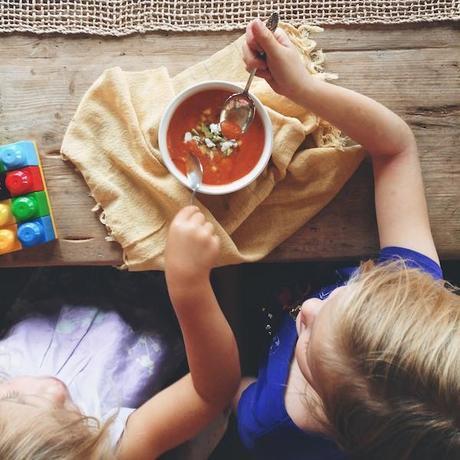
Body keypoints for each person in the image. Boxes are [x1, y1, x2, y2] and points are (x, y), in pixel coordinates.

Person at [234, 18, 460, 460]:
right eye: (352, 288)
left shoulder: (270, 426)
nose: (310, 309)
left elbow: (228, 389)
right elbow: (396, 148)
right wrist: (301, 87)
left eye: (311, 348)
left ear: (330, 416)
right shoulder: (408, 292)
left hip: (251, 319)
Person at [0, 206, 240, 460]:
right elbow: (211, 392)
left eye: (17, 398)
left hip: (70, 256)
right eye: (67, 421)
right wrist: (189, 288)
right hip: (160, 287)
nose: (54, 392)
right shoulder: (116, 449)